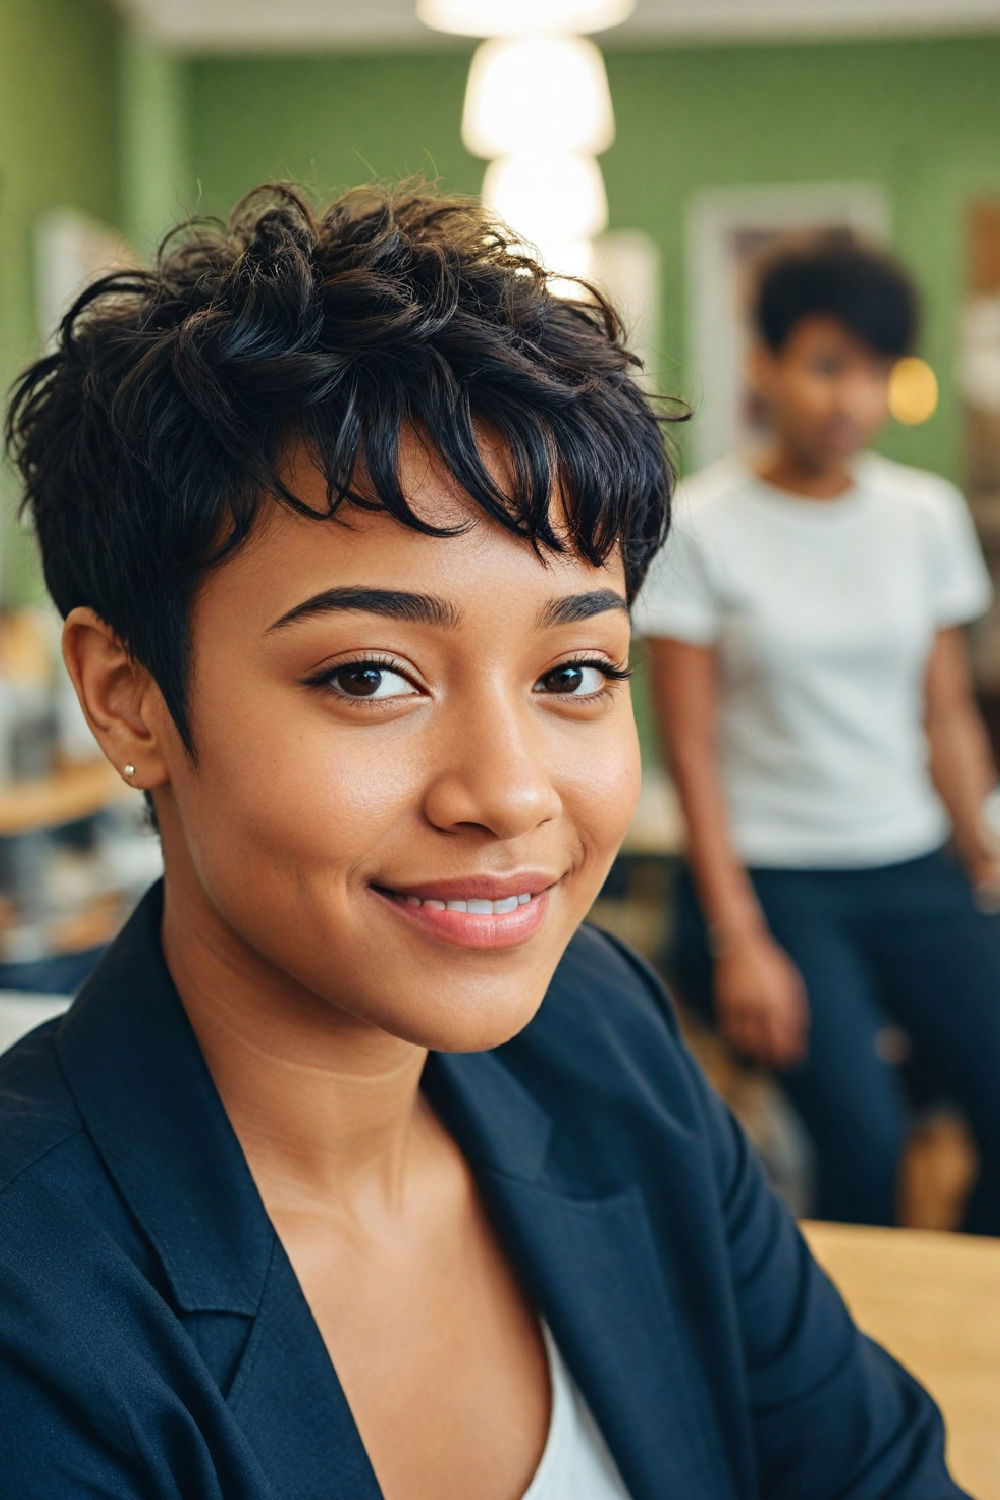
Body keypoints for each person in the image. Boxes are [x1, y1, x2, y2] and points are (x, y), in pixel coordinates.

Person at [0, 187, 968, 1499]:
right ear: (128, 699)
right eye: (367, 678)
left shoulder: (603, 1035)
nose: (508, 796)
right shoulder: (38, 1303)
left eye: (574, 673)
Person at [638, 231, 1000, 1232]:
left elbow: (945, 713)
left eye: (877, 373)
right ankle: (849, 1368)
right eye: (826, 366)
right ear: (765, 365)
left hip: (916, 863)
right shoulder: (701, 525)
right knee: (864, 1143)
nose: (851, 399)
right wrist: (736, 935)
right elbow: (692, 754)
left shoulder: (921, 516)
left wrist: (981, 855)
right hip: (781, 882)